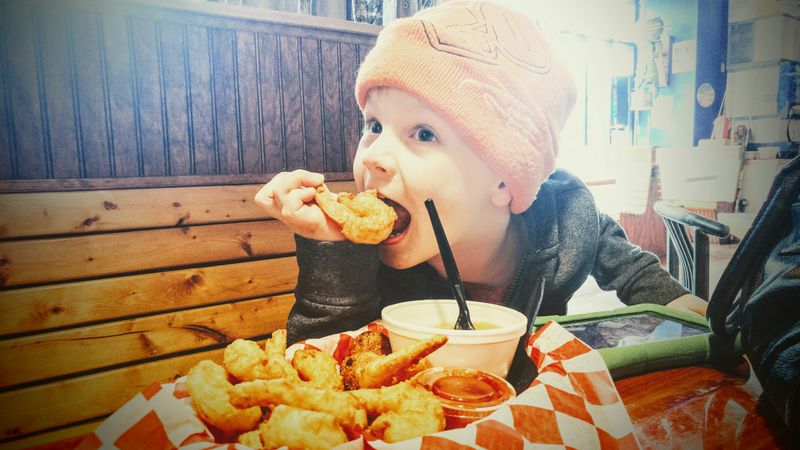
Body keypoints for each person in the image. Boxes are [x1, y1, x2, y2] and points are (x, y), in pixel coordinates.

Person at [255, 0, 708, 344]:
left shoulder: (565, 220)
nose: (373, 155)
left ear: (505, 178)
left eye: (424, 133)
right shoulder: (368, 261)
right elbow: (324, 370)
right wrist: (333, 251)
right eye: (374, 125)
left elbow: (619, 257)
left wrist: (681, 304)